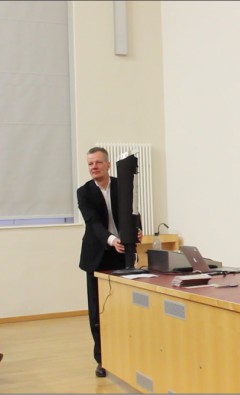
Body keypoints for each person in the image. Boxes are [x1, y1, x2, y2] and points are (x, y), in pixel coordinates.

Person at [77, 147, 141, 377]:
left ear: (107, 164)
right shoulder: (83, 192)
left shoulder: (121, 185)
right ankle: (102, 359)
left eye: (97, 163)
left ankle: (126, 353)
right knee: (97, 311)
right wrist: (112, 239)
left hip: (121, 253)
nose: (93, 167)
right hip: (98, 254)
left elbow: (132, 213)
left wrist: (137, 231)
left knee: (123, 307)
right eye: (90, 164)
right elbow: (93, 223)